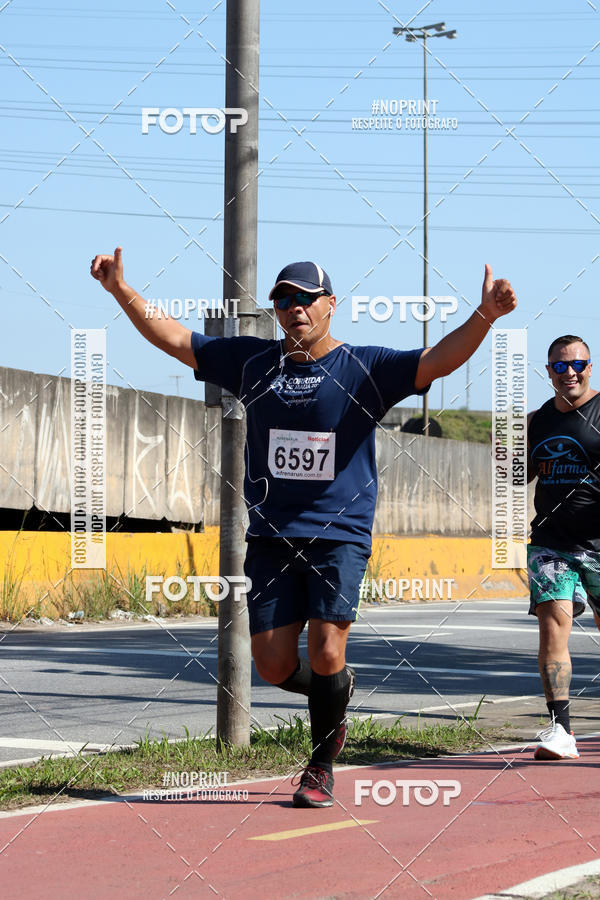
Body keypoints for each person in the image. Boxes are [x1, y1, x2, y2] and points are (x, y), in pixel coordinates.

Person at [91, 248, 517, 806]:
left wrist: (485, 316)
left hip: (339, 534)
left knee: (325, 647)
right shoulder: (252, 363)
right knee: (271, 665)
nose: (294, 307)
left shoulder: (364, 367)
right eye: (284, 299)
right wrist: (121, 289)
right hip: (271, 535)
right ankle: (335, 691)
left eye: (306, 298)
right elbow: (175, 338)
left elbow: (436, 361)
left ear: (330, 305)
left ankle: (320, 766)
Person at [527, 335, 600, 760]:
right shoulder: (537, 421)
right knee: (553, 627)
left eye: (576, 364)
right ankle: (561, 730)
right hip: (551, 543)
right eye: (559, 366)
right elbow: (518, 477)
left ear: (589, 367)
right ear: (549, 371)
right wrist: (505, 450)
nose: (568, 372)